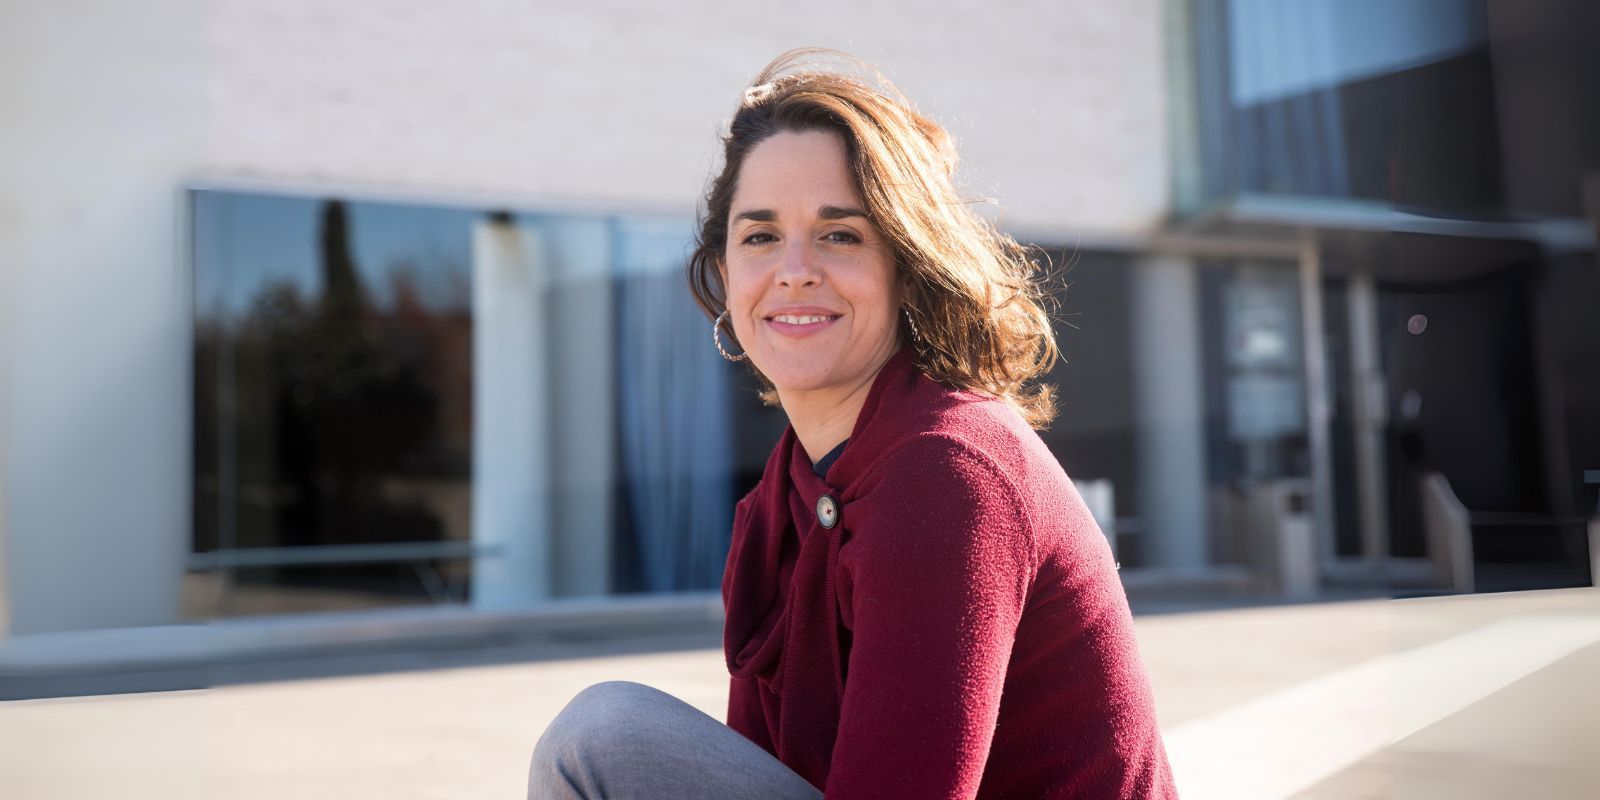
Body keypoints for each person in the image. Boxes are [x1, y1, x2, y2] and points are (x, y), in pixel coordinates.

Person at [529, 48, 1177, 799]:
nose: (794, 268)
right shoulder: (786, 492)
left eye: (841, 234)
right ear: (726, 272)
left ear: (907, 266)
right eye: (760, 235)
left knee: (605, 737)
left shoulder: (948, 468)